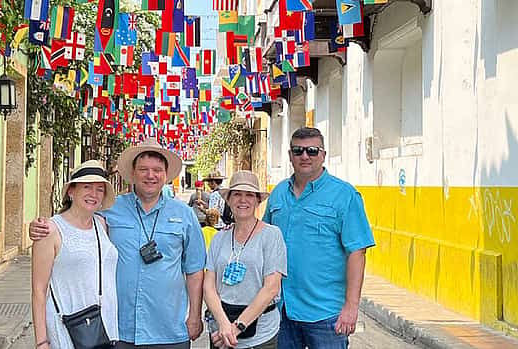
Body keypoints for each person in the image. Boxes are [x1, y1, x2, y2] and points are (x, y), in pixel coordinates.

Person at [30, 138, 207, 349]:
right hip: (118, 330)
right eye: (143, 169)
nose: (150, 175)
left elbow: (195, 270)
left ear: (166, 175)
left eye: (157, 170)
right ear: (132, 174)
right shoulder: (109, 211)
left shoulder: (185, 215)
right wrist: (40, 226)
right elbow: (75, 221)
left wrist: (195, 315)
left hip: (169, 329)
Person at [263, 127, 375, 349]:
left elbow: (357, 252)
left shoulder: (344, 195)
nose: (305, 156)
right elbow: (263, 239)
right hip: (281, 310)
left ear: (323, 155)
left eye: (312, 151)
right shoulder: (278, 194)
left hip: (325, 314)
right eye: (298, 151)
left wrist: (351, 308)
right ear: (290, 155)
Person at [31, 160, 119, 349]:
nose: (93, 194)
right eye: (87, 187)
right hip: (69, 326)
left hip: (103, 326)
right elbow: (39, 290)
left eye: (99, 189)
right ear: (71, 191)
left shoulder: (102, 224)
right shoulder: (50, 230)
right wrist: (41, 341)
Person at [205, 170, 287, 349]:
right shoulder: (220, 238)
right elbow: (209, 286)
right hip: (221, 331)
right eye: (237, 194)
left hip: (259, 336)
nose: (243, 200)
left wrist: (236, 328)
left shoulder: (271, 235)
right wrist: (224, 325)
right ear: (229, 200)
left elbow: (271, 288)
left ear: (258, 200)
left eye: (249, 195)